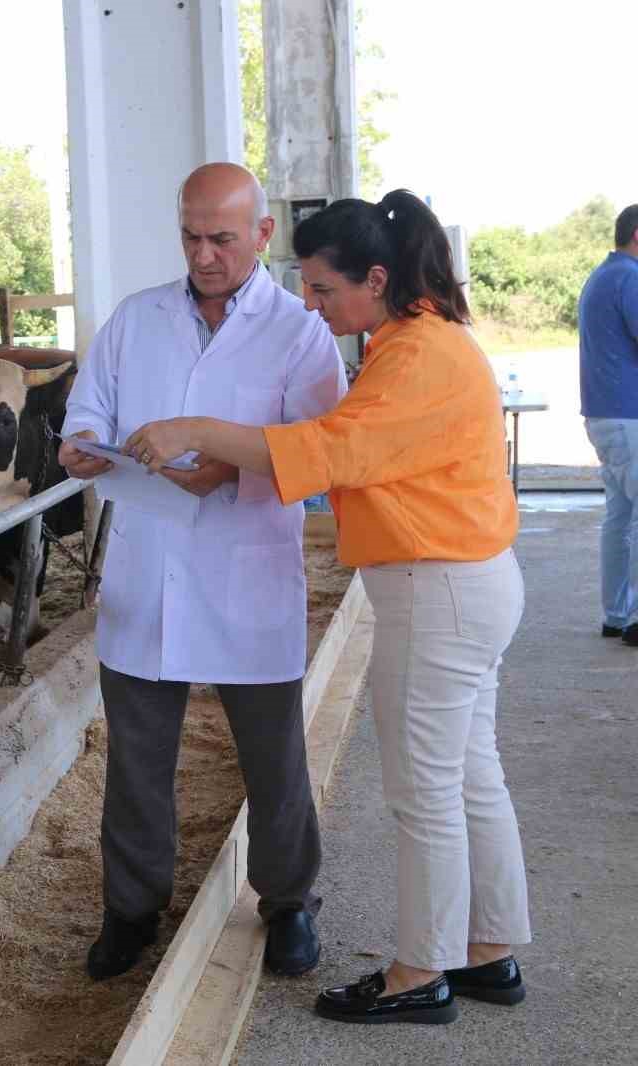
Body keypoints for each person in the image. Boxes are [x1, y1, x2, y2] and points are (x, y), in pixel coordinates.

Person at [124, 189, 530, 1025]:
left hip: (435, 586)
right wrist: (235, 461)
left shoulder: (415, 352)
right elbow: (342, 453)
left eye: (322, 290)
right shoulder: (416, 339)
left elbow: (331, 451)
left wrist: (195, 426)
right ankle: (489, 950)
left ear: (375, 277)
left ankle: (419, 973)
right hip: (465, 579)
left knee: (424, 790)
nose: (311, 305)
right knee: (468, 775)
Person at [57, 162, 347, 982]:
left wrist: (232, 469)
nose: (205, 254)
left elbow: (319, 454)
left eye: (223, 237)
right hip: (149, 571)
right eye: (191, 235)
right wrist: (79, 450)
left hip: (246, 571)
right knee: (137, 759)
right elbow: (90, 411)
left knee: (273, 757)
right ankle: (132, 909)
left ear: (262, 234)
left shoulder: (299, 331)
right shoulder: (134, 319)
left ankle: (288, 900)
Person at [578, 203, 638, 646]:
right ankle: (633, 618)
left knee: (619, 518)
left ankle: (617, 614)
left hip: (605, 415)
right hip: (628, 416)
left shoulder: (603, 275)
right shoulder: (631, 278)